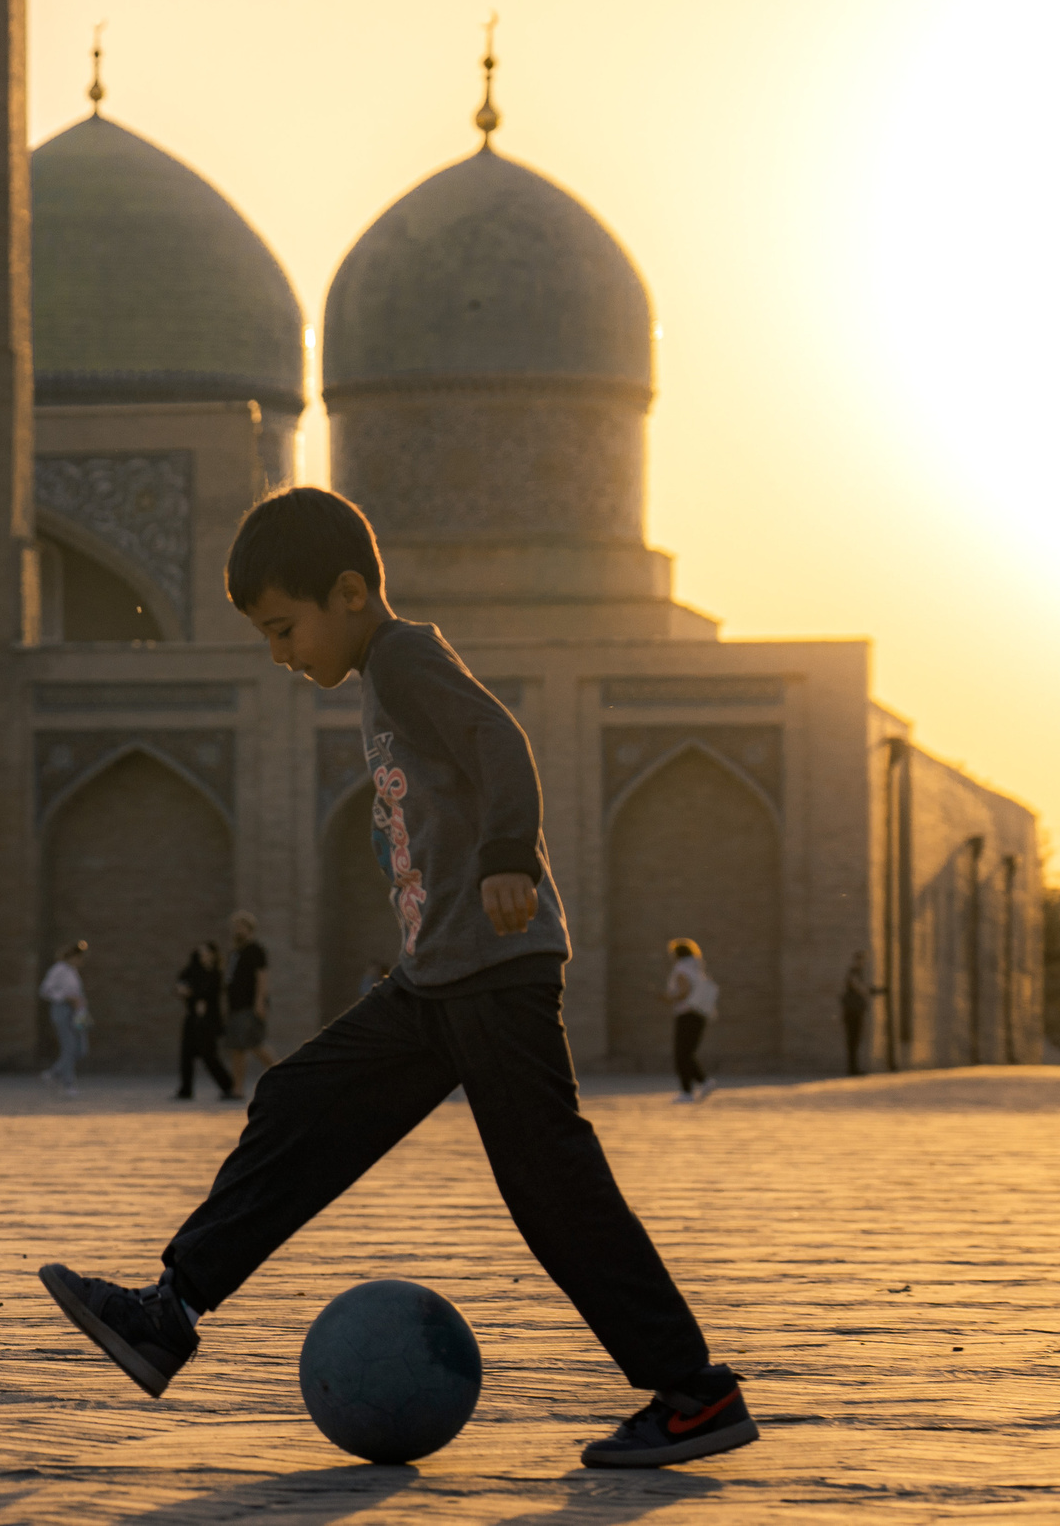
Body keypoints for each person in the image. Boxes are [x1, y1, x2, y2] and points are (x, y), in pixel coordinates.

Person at [38, 488, 756, 1471]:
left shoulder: (405, 656)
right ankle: (169, 1310)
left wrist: (508, 852)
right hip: (438, 980)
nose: (281, 656)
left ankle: (694, 1396)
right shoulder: (378, 673)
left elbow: (502, 742)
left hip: (493, 972)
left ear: (348, 594)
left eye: (286, 629)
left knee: (551, 1183)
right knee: (299, 1099)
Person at [221, 913, 276, 1096]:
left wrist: (259, 1002)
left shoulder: (255, 950)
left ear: (249, 928)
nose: (236, 930)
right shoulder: (236, 952)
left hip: (249, 1007)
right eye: (234, 927)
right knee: (237, 1048)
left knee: (256, 1045)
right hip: (235, 1007)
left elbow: (262, 977)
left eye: (240, 926)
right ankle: (237, 1089)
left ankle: (284, 1076)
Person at [173, 943, 232, 1101]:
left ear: (213, 954)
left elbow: (209, 993)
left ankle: (228, 1085)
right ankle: (186, 1089)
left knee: (209, 1054)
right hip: (193, 1018)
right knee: (186, 1054)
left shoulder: (215, 973)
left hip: (209, 1020)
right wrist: (190, 994)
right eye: (201, 952)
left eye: (206, 952)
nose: (202, 955)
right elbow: (181, 985)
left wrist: (193, 994)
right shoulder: (193, 970)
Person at [665, 939, 719, 1102]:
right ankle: (702, 1082)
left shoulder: (681, 968)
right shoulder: (697, 968)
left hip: (686, 1014)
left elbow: (684, 991)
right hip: (700, 1015)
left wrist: (669, 998)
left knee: (681, 1054)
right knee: (687, 1053)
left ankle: (688, 1091)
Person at [39, 941, 89, 1096]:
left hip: (78, 1012)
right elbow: (45, 990)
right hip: (62, 1010)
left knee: (81, 1048)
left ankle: (53, 1074)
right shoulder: (58, 970)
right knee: (68, 1047)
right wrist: (65, 998)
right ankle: (68, 1084)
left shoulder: (73, 971)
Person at [840, 951, 873, 1077]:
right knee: (853, 1040)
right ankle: (852, 1068)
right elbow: (859, 988)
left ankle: (854, 1067)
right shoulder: (853, 974)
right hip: (852, 1012)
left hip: (857, 1011)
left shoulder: (858, 974)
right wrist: (870, 990)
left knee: (856, 1040)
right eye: (860, 960)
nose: (862, 963)